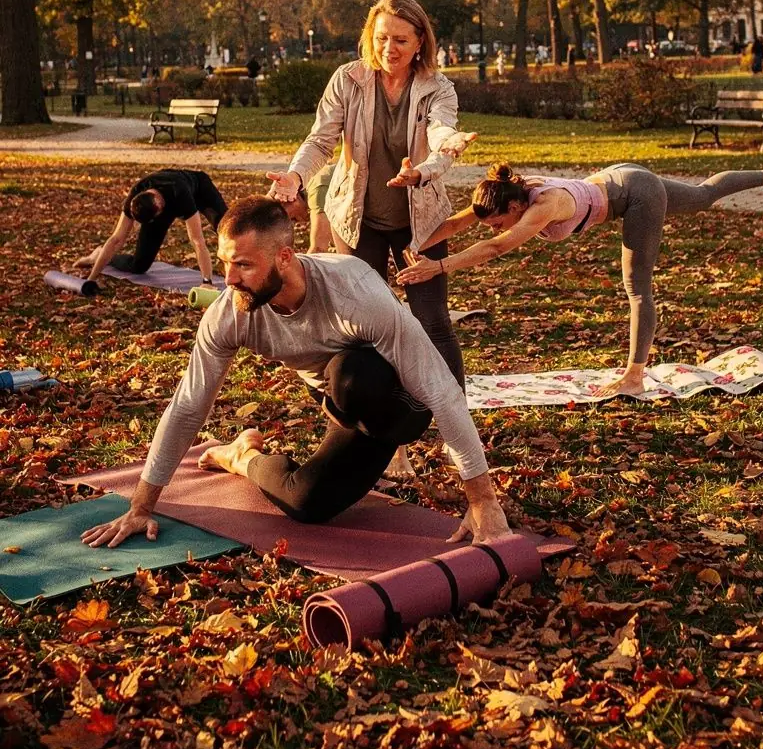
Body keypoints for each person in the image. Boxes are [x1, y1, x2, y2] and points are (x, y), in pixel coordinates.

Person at [80, 198, 509, 548]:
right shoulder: (230, 314)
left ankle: (350, 414)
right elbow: (188, 406)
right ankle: (242, 456)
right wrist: (141, 507)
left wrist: (482, 500)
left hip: (399, 402)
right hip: (343, 405)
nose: (229, 279)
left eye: (243, 265)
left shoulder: (355, 291)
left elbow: (440, 389)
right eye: (226, 263)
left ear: (284, 258)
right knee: (306, 503)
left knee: (352, 373)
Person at [397, 158, 763, 397]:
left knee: (637, 287)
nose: (493, 227)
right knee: (701, 195)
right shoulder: (501, 195)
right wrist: (417, 243)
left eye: (498, 222)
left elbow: (495, 248)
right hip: (621, 176)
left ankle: (634, 376)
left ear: (517, 208)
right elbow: (456, 224)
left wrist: (439, 267)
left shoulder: (544, 206)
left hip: (637, 195)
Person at [265, 0, 473, 391]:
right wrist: (295, 177)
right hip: (357, 220)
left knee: (432, 321)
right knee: (364, 324)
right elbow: (320, 140)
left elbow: (440, 132)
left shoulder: (438, 88)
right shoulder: (349, 79)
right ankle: (380, 411)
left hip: (420, 222)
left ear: (420, 42)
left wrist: (434, 159)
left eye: (400, 40)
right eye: (381, 38)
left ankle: (454, 411)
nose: (388, 48)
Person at [76, 169, 227, 285]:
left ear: (159, 207)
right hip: (163, 204)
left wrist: (207, 282)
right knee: (139, 266)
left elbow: (197, 241)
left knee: (226, 230)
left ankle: (238, 268)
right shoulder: (136, 197)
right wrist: (91, 279)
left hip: (200, 190)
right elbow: (116, 239)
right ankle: (99, 254)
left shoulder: (179, 192)